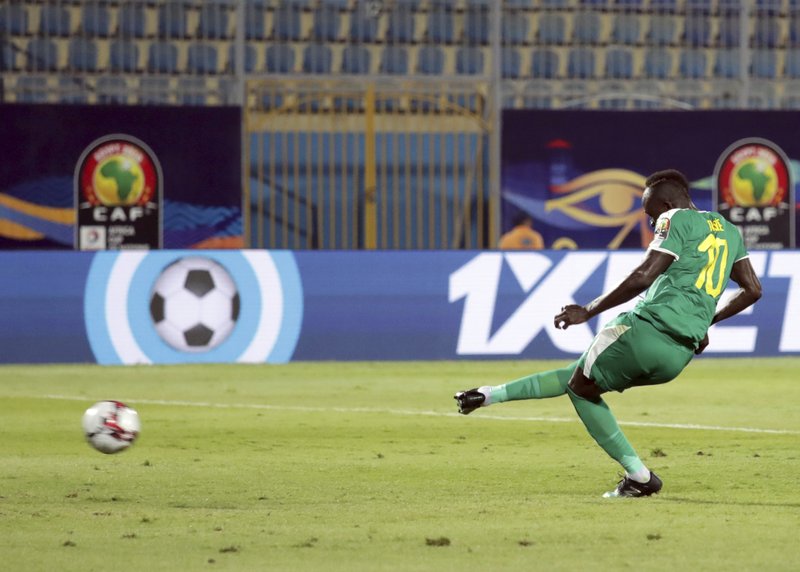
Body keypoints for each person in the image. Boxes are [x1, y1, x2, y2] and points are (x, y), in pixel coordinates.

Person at [454, 169, 762, 498]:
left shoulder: (674, 218)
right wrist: (705, 322)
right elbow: (753, 289)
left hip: (645, 331)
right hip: (678, 355)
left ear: (667, 204)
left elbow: (644, 275)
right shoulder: (728, 230)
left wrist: (588, 310)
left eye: (651, 214)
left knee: (580, 388)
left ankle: (639, 477)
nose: (652, 222)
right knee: (580, 377)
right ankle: (487, 395)